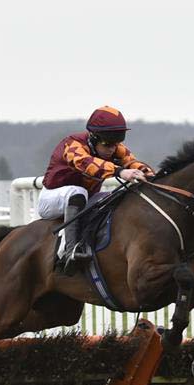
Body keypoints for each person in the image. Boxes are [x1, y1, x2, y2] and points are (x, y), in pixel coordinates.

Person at [39, 105, 155, 266]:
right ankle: (70, 251)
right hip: (51, 200)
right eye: (107, 145)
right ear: (93, 138)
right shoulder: (72, 145)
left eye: (116, 144)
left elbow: (132, 162)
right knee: (77, 192)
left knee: (112, 198)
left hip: (84, 199)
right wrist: (120, 172)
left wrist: (149, 174)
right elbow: (86, 163)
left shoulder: (114, 147)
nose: (112, 149)